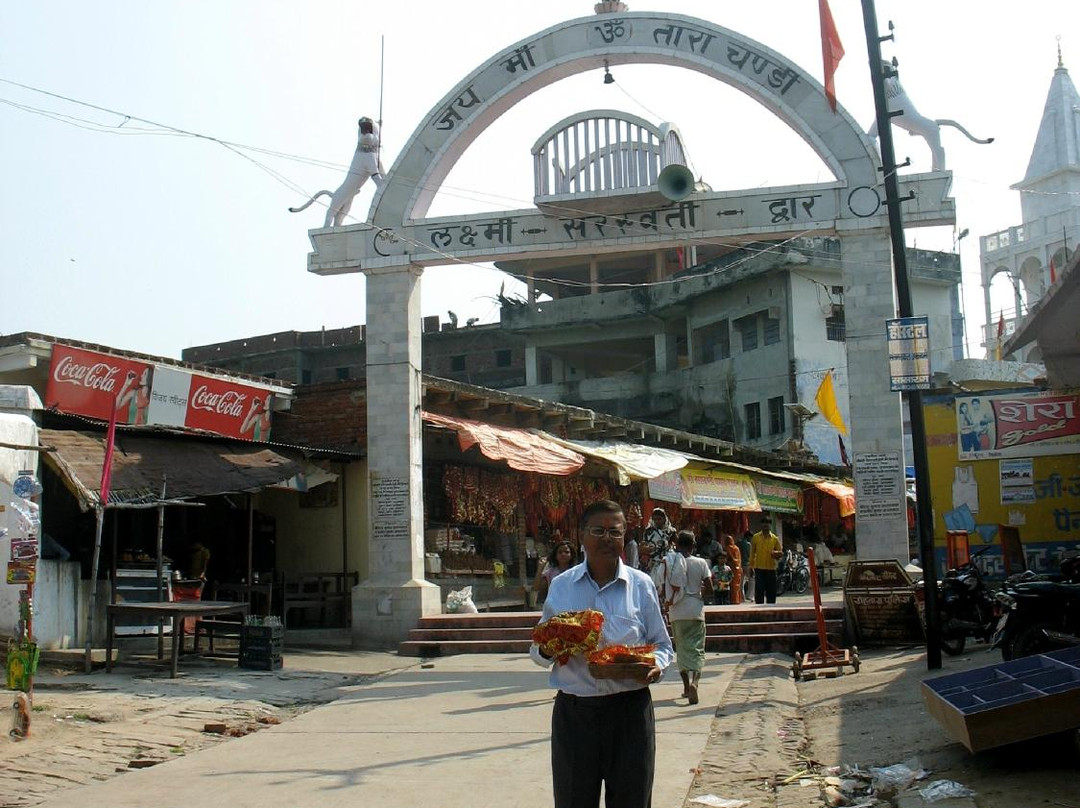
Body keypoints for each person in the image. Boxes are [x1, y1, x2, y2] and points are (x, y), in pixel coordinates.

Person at [530, 500, 674, 808]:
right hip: (575, 715)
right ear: (582, 535)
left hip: (631, 713)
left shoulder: (641, 585)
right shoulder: (562, 587)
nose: (607, 538)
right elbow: (539, 651)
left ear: (624, 538)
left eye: (615, 531)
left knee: (632, 801)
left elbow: (662, 645)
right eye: (598, 530)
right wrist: (554, 643)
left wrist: (655, 666)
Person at [668, 531, 713, 705]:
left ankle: (686, 687)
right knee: (697, 649)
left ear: (677, 545)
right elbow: (710, 588)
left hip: (676, 611)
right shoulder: (701, 562)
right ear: (693, 545)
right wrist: (700, 595)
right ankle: (695, 682)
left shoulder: (670, 562)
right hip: (695, 610)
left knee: (681, 650)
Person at [749, 517, 783, 604]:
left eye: (767, 523)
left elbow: (780, 553)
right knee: (759, 590)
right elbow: (752, 553)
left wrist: (776, 553)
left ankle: (771, 608)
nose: (765, 525)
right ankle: (759, 609)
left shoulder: (775, 538)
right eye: (763, 523)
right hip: (759, 568)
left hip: (771, 568)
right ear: (761, 525)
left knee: (771, 591)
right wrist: (751, 566)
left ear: (770, 525)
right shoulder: (755, 537)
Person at [641, 507, 676, 574]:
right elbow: (643, 545)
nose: (657, 521)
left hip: (665, 563)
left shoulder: (671, 532)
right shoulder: (648, 531)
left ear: (664, 519)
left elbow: (676, 545)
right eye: (655, 519)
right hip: (650, 564)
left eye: (659, 519)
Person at [722, 533, 743, 605]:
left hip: (732, 568)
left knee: (732, 585)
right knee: (737, 585)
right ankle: (737, 600)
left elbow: (730, 558)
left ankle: (733, 600)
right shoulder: (736, 548)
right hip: (738, 569)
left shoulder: (729, 548)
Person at [739, 530, 754, 601]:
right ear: (748, 537)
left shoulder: (738, 543)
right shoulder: (749, 544)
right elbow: (751, 556)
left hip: (740, 565)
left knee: (741, 582)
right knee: (752, 580)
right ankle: (750, 596)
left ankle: (741, 597)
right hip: (747, 564)